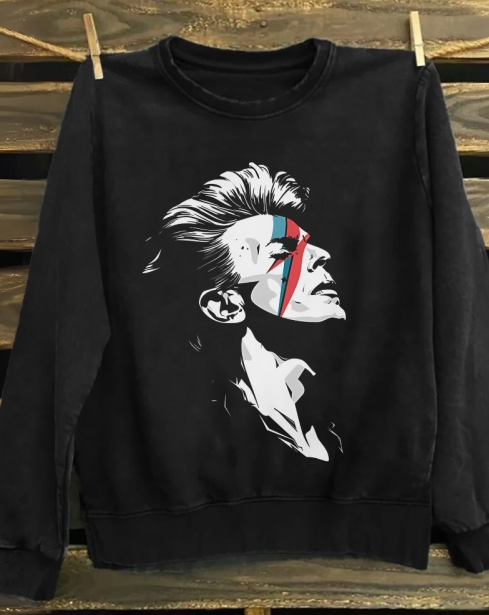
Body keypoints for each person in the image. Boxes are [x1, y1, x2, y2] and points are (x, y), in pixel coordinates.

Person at [142, 162, 346, 462]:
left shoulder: (319, 393)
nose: (322, 255)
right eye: (283, 252)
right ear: (225, 305)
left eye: (307, 245)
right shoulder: (192, 428)